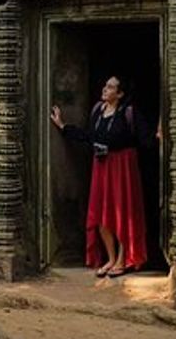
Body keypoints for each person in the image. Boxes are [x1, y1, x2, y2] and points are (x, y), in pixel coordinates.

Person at [49, 75, 150, 277]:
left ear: (120, 94)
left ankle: (123, 260)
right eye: (105, 85)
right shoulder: (98, 110)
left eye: (110, 87)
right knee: (101, 213)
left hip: (122, 166)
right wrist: (63, 127)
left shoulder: (128, 113)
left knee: (123, 214)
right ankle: (111, 258)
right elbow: (89, 136)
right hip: (101, 165)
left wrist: (159, 136)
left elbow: (145, 139)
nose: (105, 89)